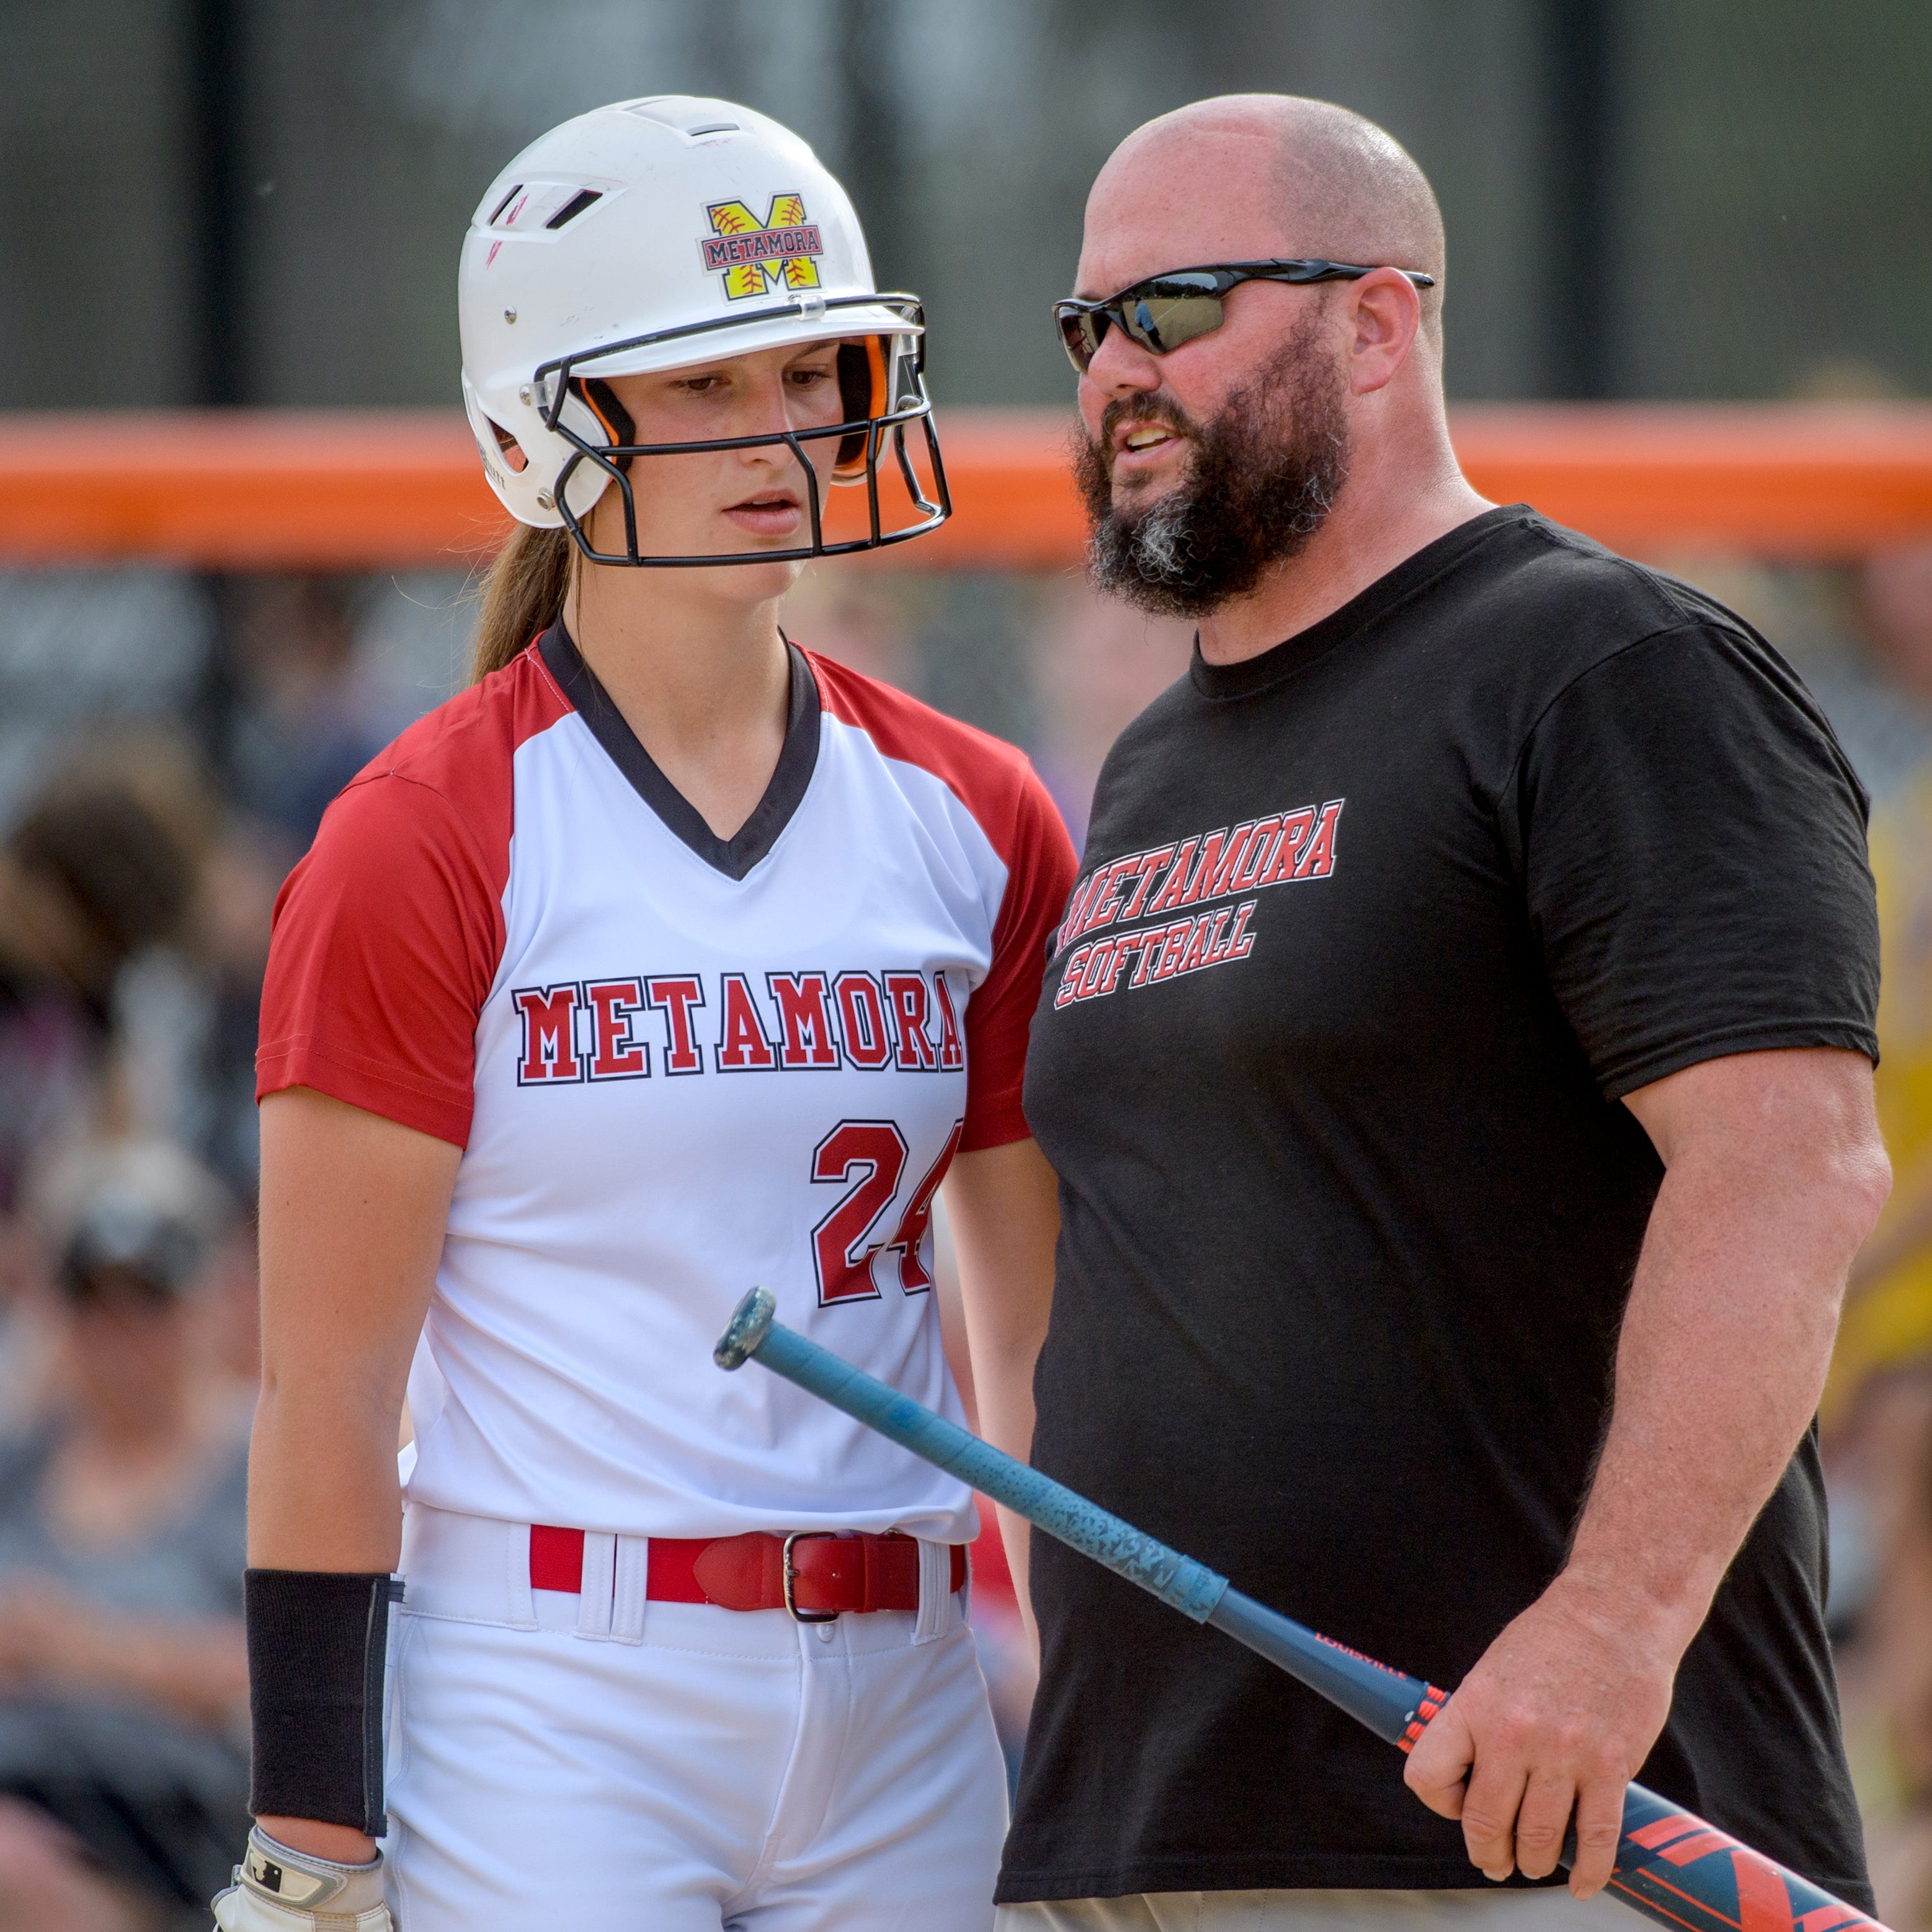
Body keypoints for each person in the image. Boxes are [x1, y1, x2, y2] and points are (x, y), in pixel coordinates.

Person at [989, 95, 1890, 1931]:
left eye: (1174, 310)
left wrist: (1609, 1628)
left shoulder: (1606, 667)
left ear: (1379, 323)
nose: (1117, 378)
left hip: (1524, 1829)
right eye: (1091, 329)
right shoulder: (1156, 763)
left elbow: (1789, 1169)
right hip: (1151, 1835)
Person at [223, 97, 1072, 1932]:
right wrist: (313, 1825)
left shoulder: (980, 813)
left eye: (808, 369)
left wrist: (1104, 1703)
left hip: (911, 1686)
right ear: (541, 420)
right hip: (554, 1687)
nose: (783, 431)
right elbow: (330, 1385)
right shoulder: (424, 838)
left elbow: (1037, 1341)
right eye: (701, 386)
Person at [0, 1145, 250, 1926]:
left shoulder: (253, 1469)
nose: (121, 1339)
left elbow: (288, 1669)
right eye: (94, 1307)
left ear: (198, 1306)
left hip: (166, 1826)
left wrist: (78, 1647)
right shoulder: (22, 1459)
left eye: (147, 1305)